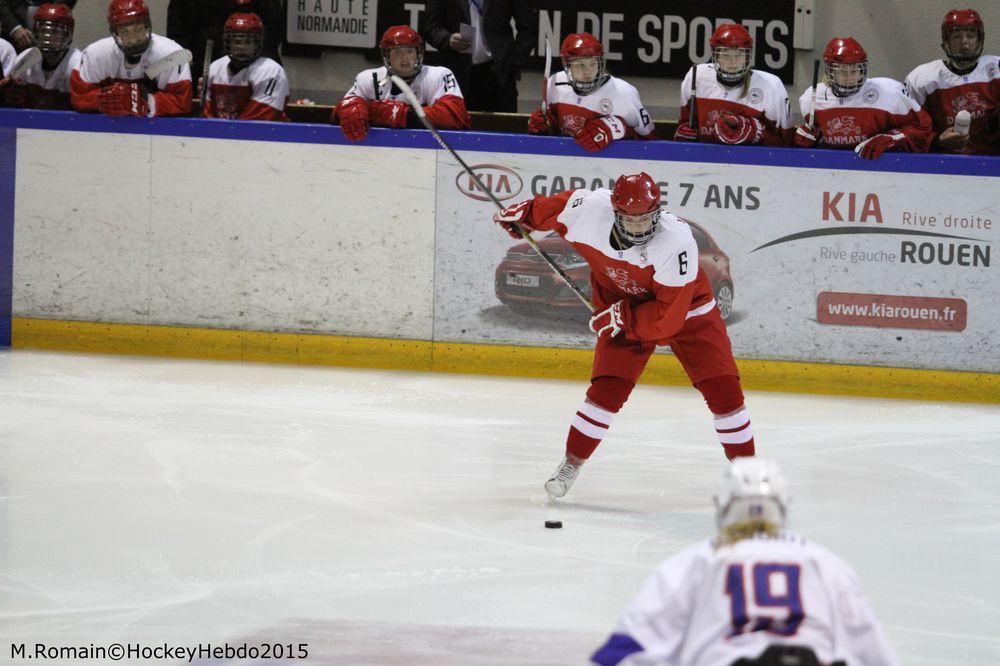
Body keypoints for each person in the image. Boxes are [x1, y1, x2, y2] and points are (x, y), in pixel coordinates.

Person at [492, 173, 755, 499]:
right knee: (606, 390)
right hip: (623, 309)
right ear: (614, 211)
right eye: (630, 219)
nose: (639, 227)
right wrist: (525, 216)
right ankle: (571, 462)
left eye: (646, 218)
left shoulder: (677, 242)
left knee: (725, 392)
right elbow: (551, 209)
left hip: (688, 313)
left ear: (658, 211)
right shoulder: (588, 210)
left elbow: (666, 321)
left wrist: (622, 316)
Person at [591, 458, 901, 666]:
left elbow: (627, 648)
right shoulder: (825, 563)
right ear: (783, 506)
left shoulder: (696, 561)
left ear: (724, 505)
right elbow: (874, 652)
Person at [795, 37, 934, 159]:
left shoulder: (889, 91)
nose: (849, 77)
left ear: (862, 70)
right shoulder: (812, 98)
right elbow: (814, 137)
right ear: (831, 72)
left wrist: (893, 138)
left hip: (879, 172)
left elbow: (923, 128)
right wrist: (805, 139)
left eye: (854, 71)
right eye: (842, 71)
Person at [333, 25, 470, 142]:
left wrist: (402, 114)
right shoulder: (369, 78)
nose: (405, 58)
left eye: (410, 51)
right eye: (398, 52)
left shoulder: (439, 75)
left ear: (418, 53)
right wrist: (348, 109)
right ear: (386, 56)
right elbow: (339, 113)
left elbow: (456, 116)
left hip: (425, 150)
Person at [527, 32, 656, 152]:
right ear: (568, 66)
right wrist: (547, 124)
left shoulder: (624, 93)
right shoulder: (554, 83)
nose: (587, 71)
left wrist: (619, 128)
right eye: (580, 65)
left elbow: (650, 143)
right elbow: (557, 128)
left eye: (593, 63)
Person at [674, 23, 791, 146]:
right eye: (725, 54)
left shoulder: (771, 86)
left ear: (748, 55)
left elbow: (785, 144)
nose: (732, 62)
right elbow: (685, 124)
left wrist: (758, 134)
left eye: (739, 54)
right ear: (716, 56)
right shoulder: (696, 77)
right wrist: (682, 135)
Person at [70, 0, 192, 117]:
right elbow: (79, 97)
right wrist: (112, 100)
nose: (133, 39)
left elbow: (182, 102)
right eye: (125, 32)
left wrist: (146, 101)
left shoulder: (171, 54)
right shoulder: (96, 54)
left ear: (147, 26)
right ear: (115, 33)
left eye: (138, 29)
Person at [905, 8, 999, 155]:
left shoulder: (996, 71)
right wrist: (936, 141)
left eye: (970, 36)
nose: (964, 43)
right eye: (956, 37)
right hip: (943, 166)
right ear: (946, 41)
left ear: (979, 39)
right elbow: (908, 128)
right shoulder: (923, 80)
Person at [421, 0, 536, 112]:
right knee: (461, 128)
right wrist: (448, 39)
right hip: (459, 75)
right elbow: (431, 28)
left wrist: (512, 64)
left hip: (500, 74)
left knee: (504, 127)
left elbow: (528, 28)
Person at [203, 11, 287, 121]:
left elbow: (259, 120)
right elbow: (207, 115)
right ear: (228, 42)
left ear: (257, 44)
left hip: (263, 137)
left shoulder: (271, 71)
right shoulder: (215, 68)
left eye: (248, 42)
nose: (241, 46)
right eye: (237, 41)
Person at [167, 0, 283, 76]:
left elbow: (272, 27)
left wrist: (252, 59)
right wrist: (183, 54)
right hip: (199, 61)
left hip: (249, 60)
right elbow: (176, 27)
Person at [0, 2, 80, 109]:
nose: (48, 38)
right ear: (35, 32)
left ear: (68, 35)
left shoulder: (77, 64)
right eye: (43, 31)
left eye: (55, 32)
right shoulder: (25, 59)